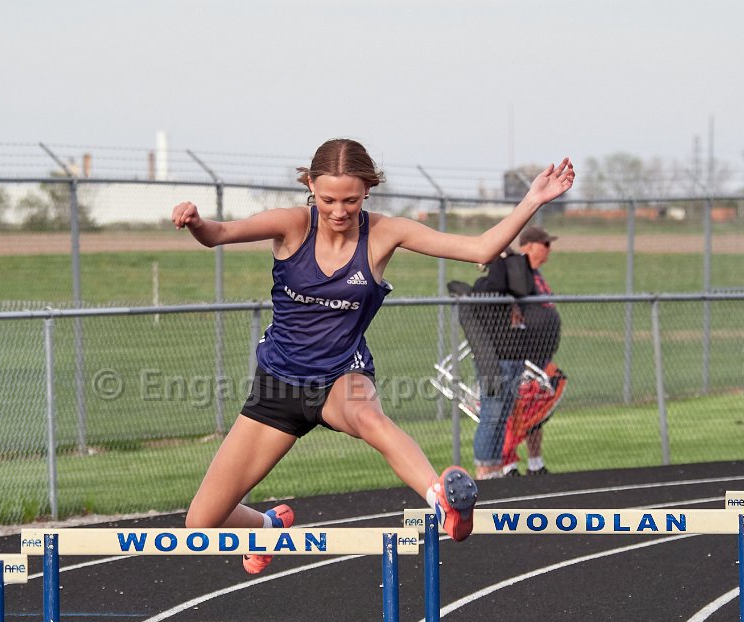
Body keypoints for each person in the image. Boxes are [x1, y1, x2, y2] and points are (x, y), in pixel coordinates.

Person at [171, 139, 574, 573]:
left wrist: (533, 199)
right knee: (201, 521)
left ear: (367, 190)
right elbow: (217, 235)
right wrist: (195, 221)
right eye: (328, 200)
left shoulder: (384, 233)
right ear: (311, 185)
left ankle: (441, 500)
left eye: (351, 200)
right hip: (278, 384)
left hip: (341, 375)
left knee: (369, 418)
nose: (339, 211)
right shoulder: (291, 225)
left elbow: (480, 250)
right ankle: (268, 526)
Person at [465, 225, 564, 479]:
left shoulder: (524, 274)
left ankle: (501, 466)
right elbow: (496, 287)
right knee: (495, 413)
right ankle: (490, 467)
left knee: (509, 411)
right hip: (501, 356)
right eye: (545, 244)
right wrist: (500, 256)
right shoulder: (495, 279)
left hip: (520, 354)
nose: (549, 249)